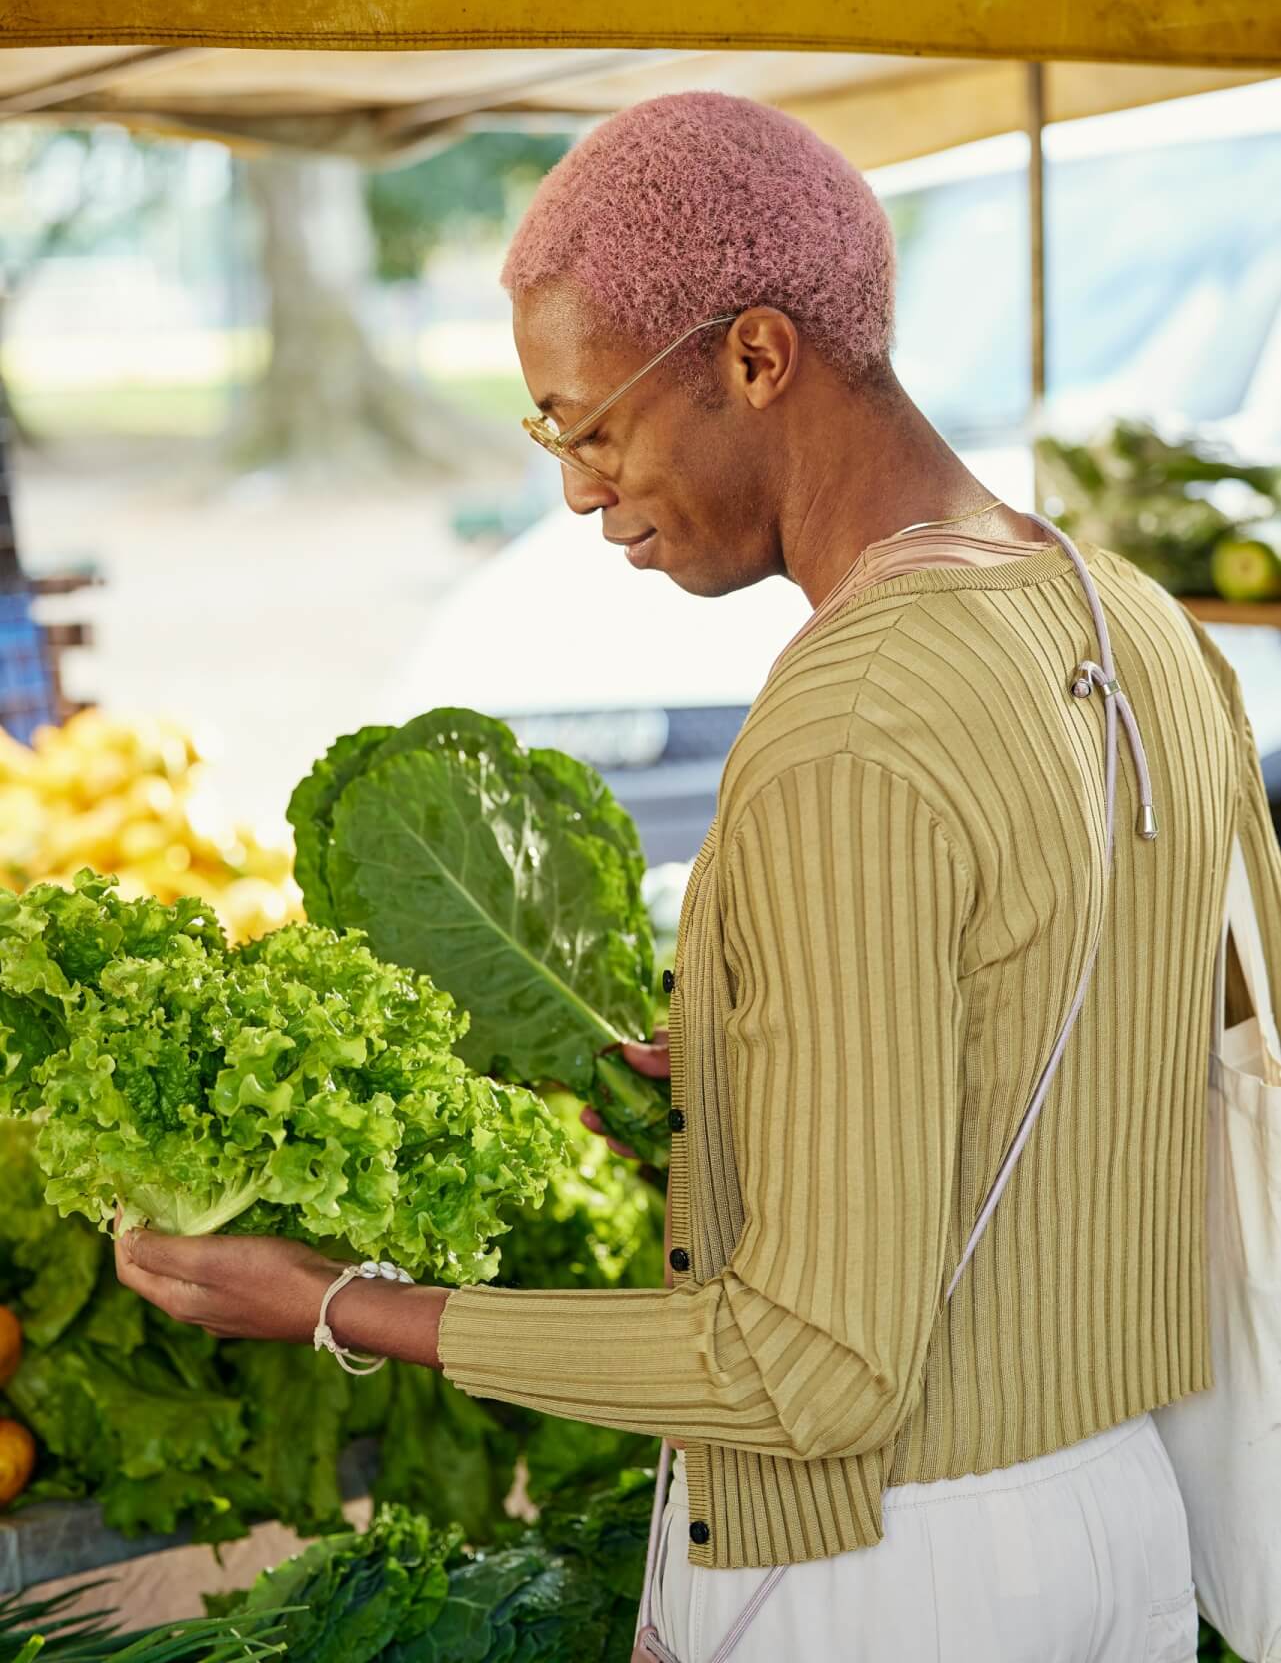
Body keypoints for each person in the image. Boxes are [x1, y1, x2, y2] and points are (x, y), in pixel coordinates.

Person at [117, 92, 1281, 1663]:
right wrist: (753, 1073)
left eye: (591, 424)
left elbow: (812, 1369)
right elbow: (1132, 1042)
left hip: (881, 1563)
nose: (581, 491)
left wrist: (336, 1304)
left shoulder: (846, 723)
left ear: (753, 355)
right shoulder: (1131, 616)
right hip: (1115, 1519)